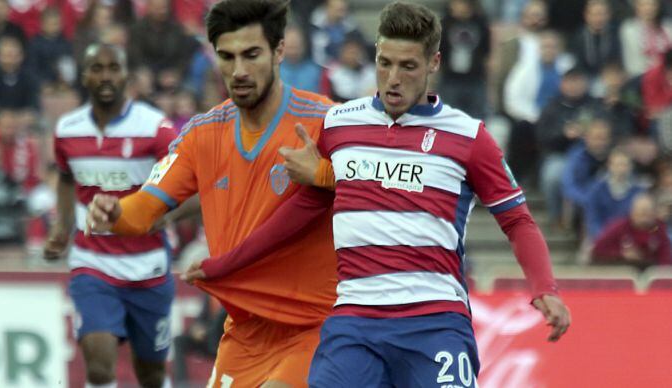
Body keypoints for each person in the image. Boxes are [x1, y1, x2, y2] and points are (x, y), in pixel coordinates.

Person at [181, 3, 571, 386]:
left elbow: (517, 219)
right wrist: (227, 263)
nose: (393, 78)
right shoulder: (339, 123)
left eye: (408, 66)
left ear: (434, 63)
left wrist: (544, 288)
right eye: (384, 63)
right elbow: (304, 207)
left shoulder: (469, 136)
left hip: (434, 320)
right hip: (355, 322)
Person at [86, 1, 338, 386]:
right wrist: (114, 213)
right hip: (242, 331)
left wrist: (324, 172)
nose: (238, 71)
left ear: (279, 51)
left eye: (251, 55)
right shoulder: (203, 134)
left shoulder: (326, 121)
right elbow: (145, 208)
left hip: (315, 328)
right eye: (227, 56)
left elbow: (376, 184)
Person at [43, 44, 177, 388]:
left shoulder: (155, 128)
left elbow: (184, 183)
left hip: (148, 265)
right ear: (83, 76)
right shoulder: (67, 130)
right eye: (96, 68)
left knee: (151, 375)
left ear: (126, 74)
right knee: (100, 368)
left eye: (113, 68)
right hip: (93, 263)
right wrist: (62, 225)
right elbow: (66, 176)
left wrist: (161, 215)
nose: (105, 76)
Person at [591, 193, 672, 267]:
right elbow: (597, 249)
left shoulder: (658, 229)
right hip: (622, 271)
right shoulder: (619, 227)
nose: (644, 219)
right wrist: (621, 254)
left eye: (647, 213)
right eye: (640, 214)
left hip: (650, 271)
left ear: (654, 214)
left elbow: (666, 258)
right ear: (632, 213)